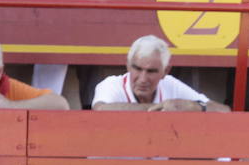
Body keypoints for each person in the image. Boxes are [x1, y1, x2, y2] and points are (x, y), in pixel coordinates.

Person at [92, 35, 230, 112]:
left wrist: (194, 106)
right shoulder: (111, 84)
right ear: (127, 65)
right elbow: (101, 110)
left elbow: (224, 112)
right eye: (137, 69)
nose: (143, 78)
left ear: (165, 71)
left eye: (151, 71)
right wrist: (159, 110)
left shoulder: (170, 84)